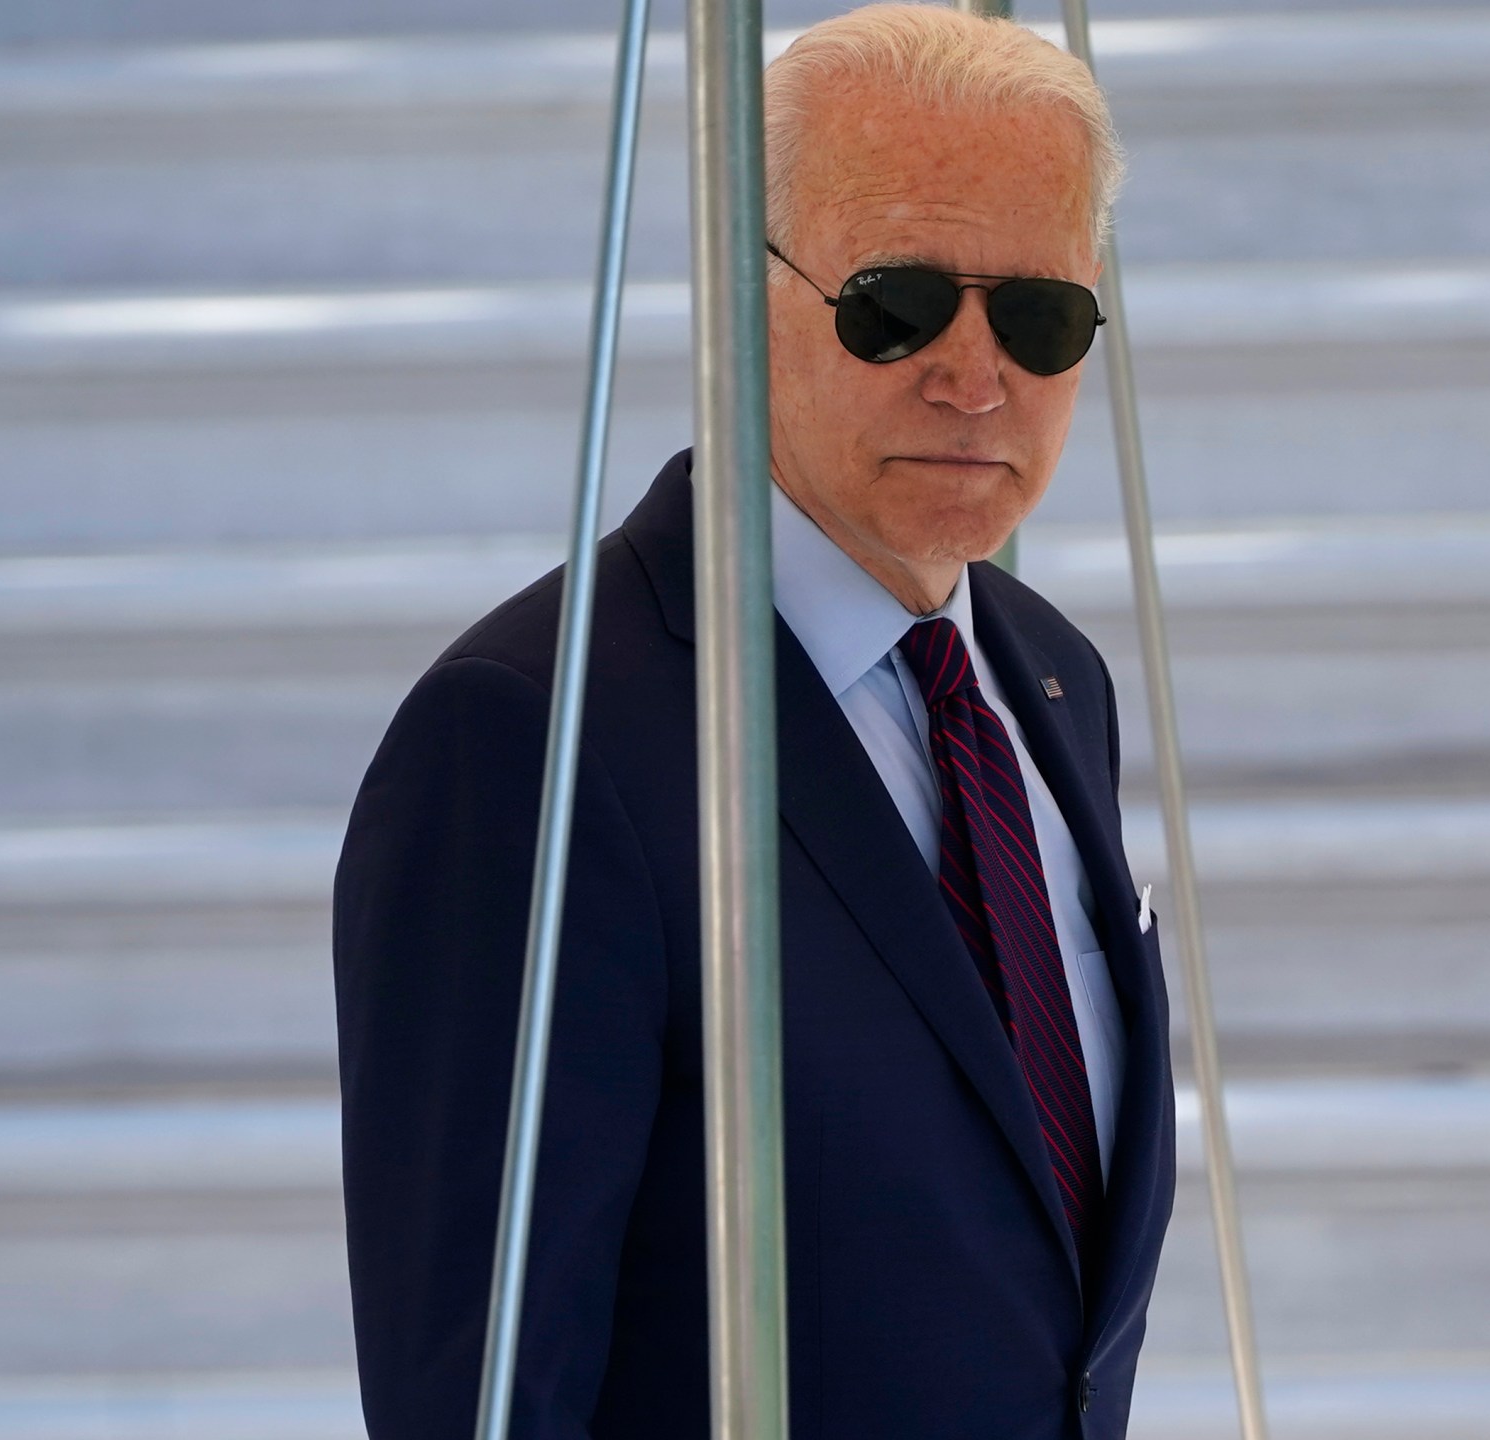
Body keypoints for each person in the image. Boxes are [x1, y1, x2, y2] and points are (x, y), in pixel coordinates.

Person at [331, 6, 1174, 1437]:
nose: (976, 378)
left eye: (1039, 316)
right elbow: (480, 1398)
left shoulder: (1048, 679)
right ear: (737, 288)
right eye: (896, 302)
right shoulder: (529, 740)